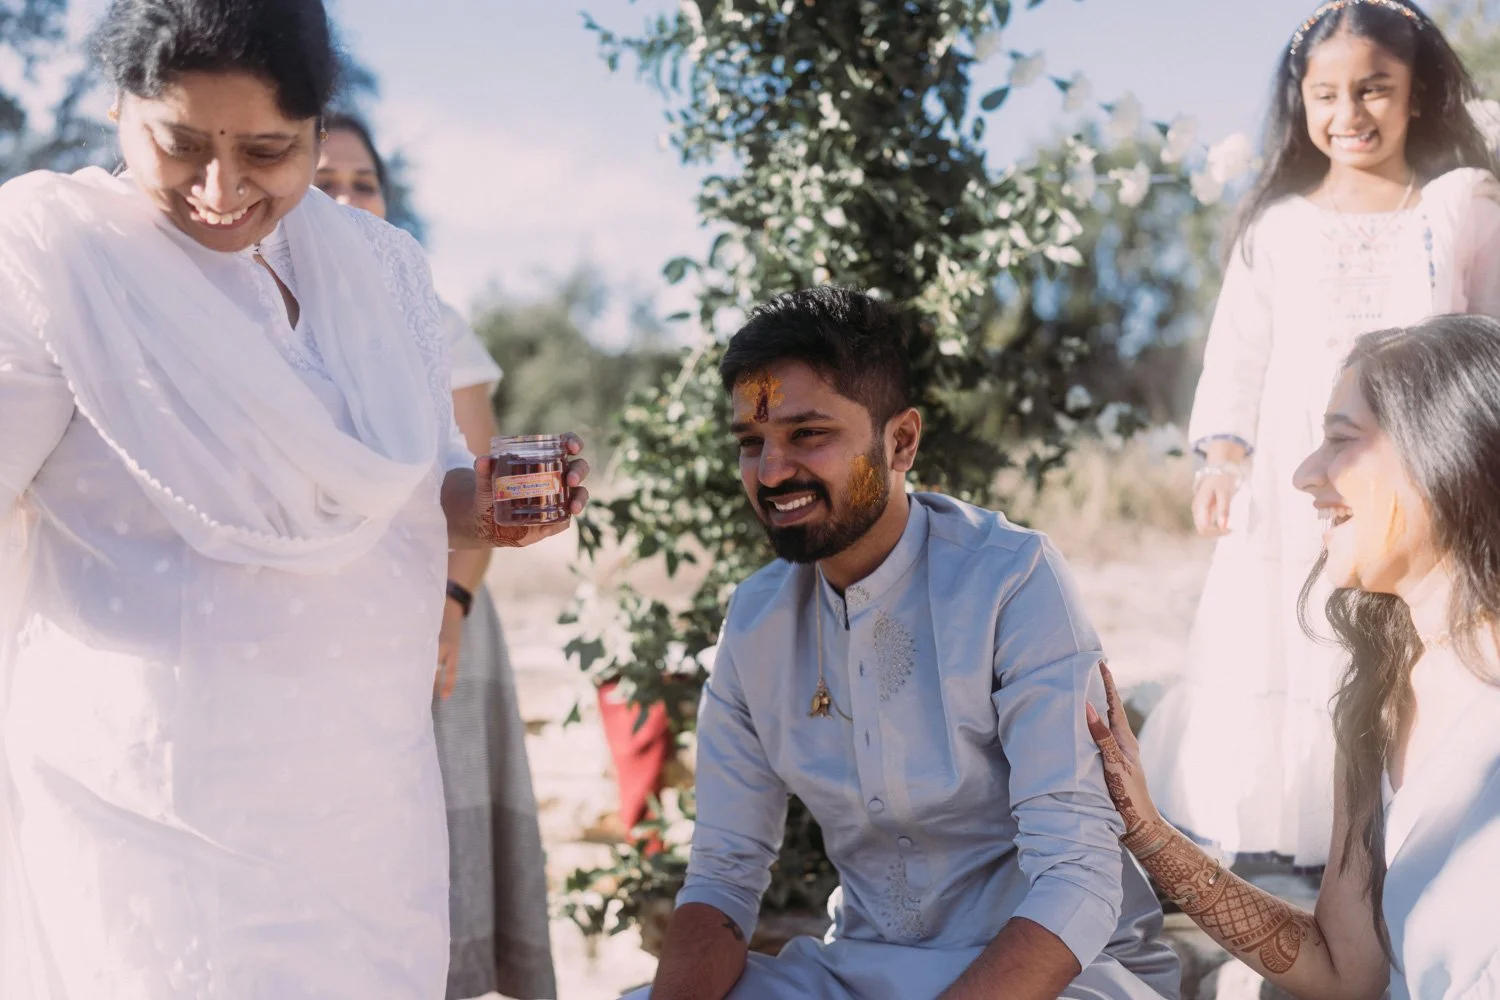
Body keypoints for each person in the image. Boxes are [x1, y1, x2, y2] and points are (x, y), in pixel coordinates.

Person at [0, 1, 590, 997]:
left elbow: (426, 481)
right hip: (155, 820)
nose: (220, 189)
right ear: (117, 109)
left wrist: (486, 506)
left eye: (267, 152)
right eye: (181, 145)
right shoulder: (51, 261)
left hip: (363, 809)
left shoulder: (381, 268)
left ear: (318, 130)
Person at [630, 287, 1180, 1000]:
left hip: (1062, 973)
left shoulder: (1010, 580)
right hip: (866, 967)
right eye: (750, 443)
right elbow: (722, 875)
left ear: (901, 442)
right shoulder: (756, 621)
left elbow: (1077, 878)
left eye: (808, 434)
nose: (770, 472)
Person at [1140, 0, 1500, 870]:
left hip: (1421, 483)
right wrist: (1222, 459)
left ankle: (1413, 834)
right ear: (1299, 100)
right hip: (1293, 484)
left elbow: (1489, 341)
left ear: (1418, 93)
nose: (1349, 113)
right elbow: (1240, 353)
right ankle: (1303, 848)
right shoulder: (1277, 225)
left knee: (1406, 642)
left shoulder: (1460, 207)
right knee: (1294, 639)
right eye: (1326, 94)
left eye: (1375, 89)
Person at [1090, 313, 1500, 1000]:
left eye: (1341, 439)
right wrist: (1148, 831)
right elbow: (1345, 971)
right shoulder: (1376, 705)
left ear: (1445, 452)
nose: (1306, 474)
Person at [315, 112, 558, 1000]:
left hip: (439, 603)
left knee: (442, 816)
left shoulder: (432, 316)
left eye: (365, 183)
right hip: (325, 620)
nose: (349, 199)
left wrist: (449, 610)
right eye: (326, 181)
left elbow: (476, 473)